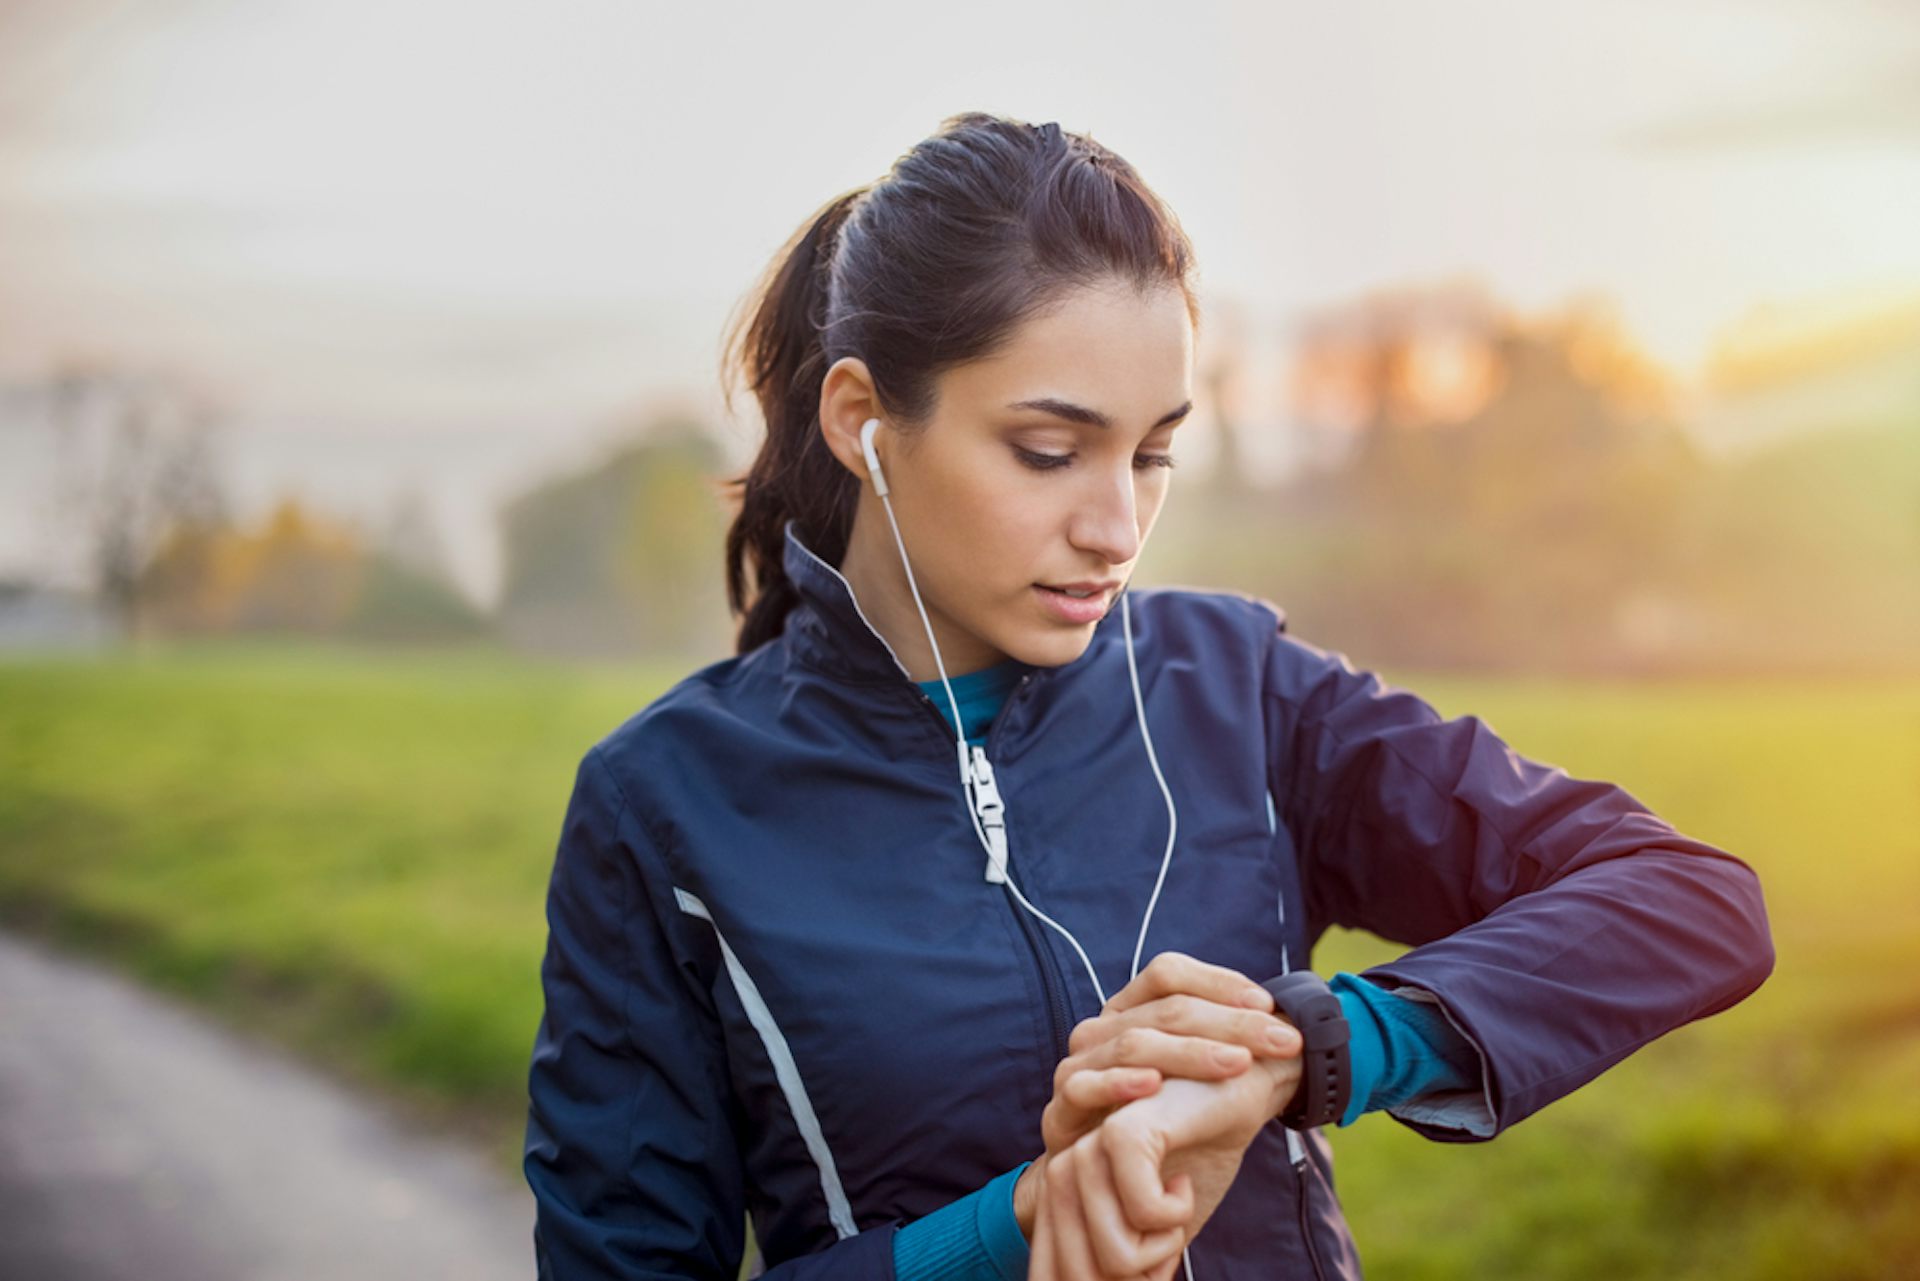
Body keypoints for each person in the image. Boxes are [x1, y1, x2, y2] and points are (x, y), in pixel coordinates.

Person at [521, 112, 1775, 1281]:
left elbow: (1690, 902)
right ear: (863, 421)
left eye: (1155, 450)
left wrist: (1306, 1048)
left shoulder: (1243, 691)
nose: (1118, 526)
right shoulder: (664, 808)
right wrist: (1009, 1230)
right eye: (1051, 452)